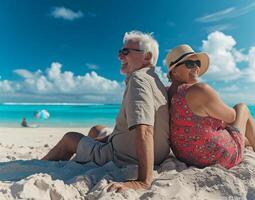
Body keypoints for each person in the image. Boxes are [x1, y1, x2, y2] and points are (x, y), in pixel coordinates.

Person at [42, 30, 170, 191]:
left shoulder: (138, 79)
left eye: (125, 51)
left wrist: (143, 181)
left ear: (147, 57)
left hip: (123, 157)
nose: (120, 56)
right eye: (120, 51)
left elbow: (144, 130)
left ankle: (40, 165)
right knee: (96, 130)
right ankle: (85, 156)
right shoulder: (156, 81)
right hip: (155, 153)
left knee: (69, 138)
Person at [165, 44, 255, 169]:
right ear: (174, 70)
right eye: (189, 64)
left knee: (221, 125)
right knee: (241, 108)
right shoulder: (200, 90)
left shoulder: (166, 93)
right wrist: (219, 118)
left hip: (186, 156)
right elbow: (232, 116)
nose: (196, 67)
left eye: (197, 63)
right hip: (220, 157)